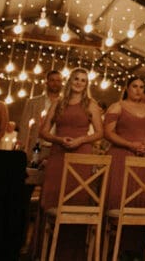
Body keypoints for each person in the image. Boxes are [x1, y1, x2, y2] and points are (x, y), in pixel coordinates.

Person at [38, 68, 104, 209]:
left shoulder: (91, 104)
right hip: (58, 154)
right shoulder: (58, 103)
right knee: (53, 197)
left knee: (76, 197)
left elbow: (99, 133)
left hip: (81, 155)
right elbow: (43, 131)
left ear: (86, 84)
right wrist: (59, 140)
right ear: (70, 81)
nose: (79, 83)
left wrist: (81, 140)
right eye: (76, 79)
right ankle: (50, 230)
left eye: (83, 80)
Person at [104, 77, 145, 212]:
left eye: (141, 87)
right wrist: (130, 144)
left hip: (142, 157)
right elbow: (108, 133)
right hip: (120, 157)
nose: (138, 90)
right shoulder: (117, 106)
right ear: (127, 88)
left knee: (139, 196)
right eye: (135, 86)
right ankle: (113, 231)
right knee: (119, 195)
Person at [19, 70, 64, 160]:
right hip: (37, 145)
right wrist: (22, 148)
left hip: (59, 147)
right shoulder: (33, 102)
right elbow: (24, 126)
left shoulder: (66, 103)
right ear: (46, 82)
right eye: (52, 80)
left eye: (58, 81)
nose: (55, 83)